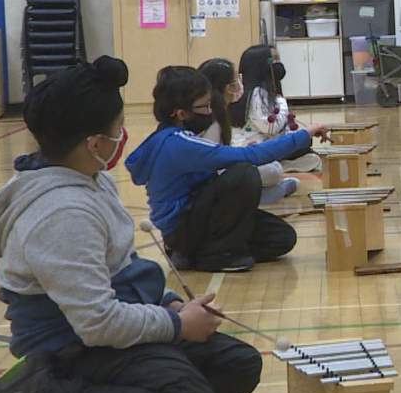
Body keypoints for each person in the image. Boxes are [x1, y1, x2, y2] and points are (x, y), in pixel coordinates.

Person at [0, 56, 260, 393]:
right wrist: (177, 325)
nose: (122, 136)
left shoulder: (92, 178)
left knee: (239, 365)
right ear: (95, 143)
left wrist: (170, 304)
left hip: (107, 329)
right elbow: (97, 324)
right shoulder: (62, 214)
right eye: (119, 127)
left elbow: (122, 269)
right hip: (70, 349)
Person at [126, 66, 329, 273]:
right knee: (243, 173)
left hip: (201, 215)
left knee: (281, 238)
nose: (209, 111)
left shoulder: (175, 137)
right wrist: (304, 134)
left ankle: (196, 253)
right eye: (204, 107)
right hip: (183, 227)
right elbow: (250, 157)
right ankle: (214, 255)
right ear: (181, 113)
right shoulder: (177, 144)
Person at [198, 58, 298, 204]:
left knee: (272, 166)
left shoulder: (219, 111)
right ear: (228, 87)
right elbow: (213, 161)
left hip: (228, 165)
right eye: (236, 80)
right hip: (215, 182)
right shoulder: (214, 118)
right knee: (272, 170)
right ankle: (259, 196)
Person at [229, 44, 321, 173]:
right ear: (259, 66)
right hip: (252, 150)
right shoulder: (256, 94)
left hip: (264, 146)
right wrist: (282, 102)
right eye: (273, 60)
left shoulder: (262, 92)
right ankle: (278, 165)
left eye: (279, 59)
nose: (278, 64)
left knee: (304, 142)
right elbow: (271, 127)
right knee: (301, 143)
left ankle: (282, 164)